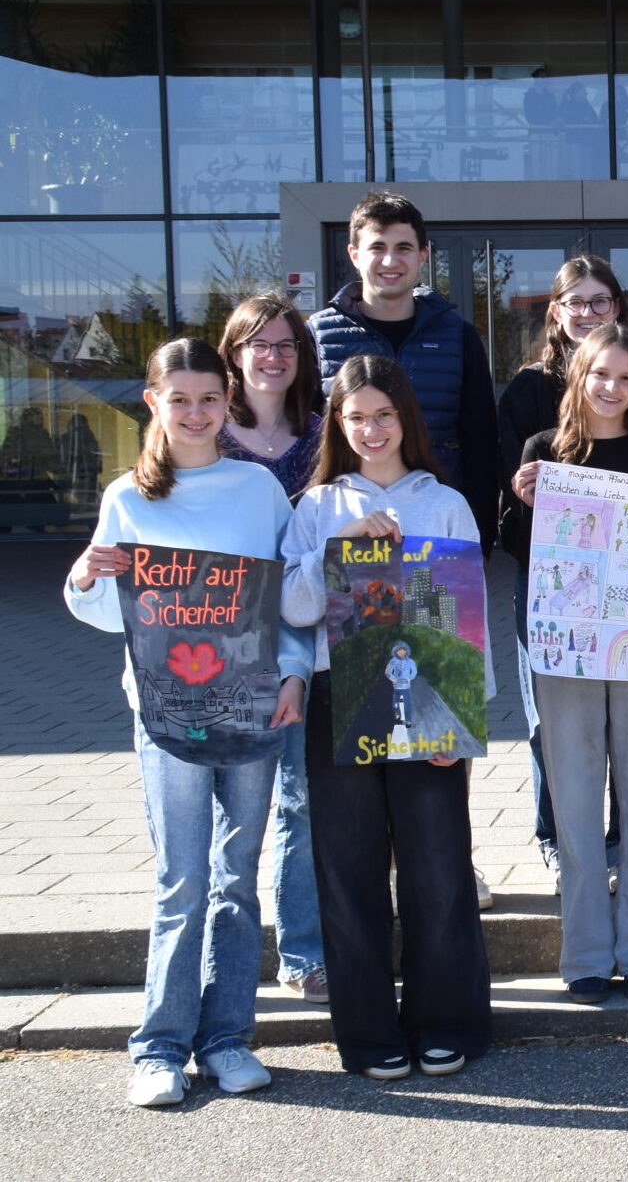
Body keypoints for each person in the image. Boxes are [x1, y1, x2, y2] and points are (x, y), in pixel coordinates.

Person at [65, 338, 311, 1108]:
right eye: (181, 399)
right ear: (154, 403)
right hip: (167, 714)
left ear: (226, 400)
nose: (197, 412)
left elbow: (290, 595)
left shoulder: (258, 488)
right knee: (183, 878)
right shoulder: (128, 497)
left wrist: (296, 671)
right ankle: (160, 1045)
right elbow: (114, 615)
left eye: (210, 398)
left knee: (236, 878)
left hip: (251, 706)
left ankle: (228, 1037)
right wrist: (84, 577)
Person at [279, 354, 493, 1080]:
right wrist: (341, 552)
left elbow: (471, 617)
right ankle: (368, 1033)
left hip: (430, 695)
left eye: (384, 413)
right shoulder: (316, 507)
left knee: (438, 871)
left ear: (407, 417)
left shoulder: (446, 502)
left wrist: (461, 720)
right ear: (337, 422)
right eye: (355, 416)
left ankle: (447, 1020)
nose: (371, 429)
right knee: (349, 872)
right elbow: (294, 607)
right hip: (341, 696)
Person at [510, 324, 628, 1002]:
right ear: (578, 378)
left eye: (626, 377)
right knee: (576, 803)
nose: (612, 388)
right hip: (566, 650)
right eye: (600, 375)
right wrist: (521, 499)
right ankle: (585, 951)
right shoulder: (544, 452)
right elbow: (519, 555)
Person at [497, 255, 628, 885]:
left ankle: (622, 844)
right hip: (551, 580)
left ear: (616, 308)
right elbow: (509, 510)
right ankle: (559, 835)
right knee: (552, 718)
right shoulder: (527, 396)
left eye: (601, 302)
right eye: (577, 302)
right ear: (557, 311)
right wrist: (523, 494)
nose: (589, 312)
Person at [213, 293, 328, 1005]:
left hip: (307, 646)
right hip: (215, 649)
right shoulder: (201, 432)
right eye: (259, 343)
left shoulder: (322, 437)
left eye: (287, 344)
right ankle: (217, 958)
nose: (274, 355)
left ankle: (303, 950)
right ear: (234, 352)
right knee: (231, 812)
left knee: (301, 800)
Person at [305, 191, 499, 552]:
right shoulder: (318, 336)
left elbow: (481, 443)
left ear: (423, 255)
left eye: (404, 247)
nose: (390, 260)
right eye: (377, 247)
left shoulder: (458, 336)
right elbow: (306, 436)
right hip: (346, 522)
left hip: (436, 526)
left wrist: (481, 533)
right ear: (354, 255)